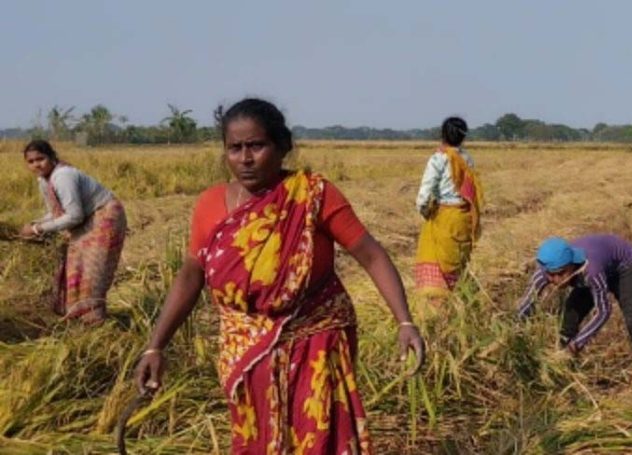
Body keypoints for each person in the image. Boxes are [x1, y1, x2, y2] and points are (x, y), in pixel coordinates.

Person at [134, 98, 425, 453]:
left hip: (315, 337)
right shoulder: (210, 204)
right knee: (256, 438)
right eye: (235, 148)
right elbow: (192, 274)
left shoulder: (313, 195)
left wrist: (405, 322)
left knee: (316, 438)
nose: (245, 158)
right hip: (245, 348)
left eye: (256, 145)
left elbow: (371, 254)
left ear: (282, 146)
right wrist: (156, 345)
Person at [518, 235, 632, 407]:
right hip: (594, 269)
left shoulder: (590, 270)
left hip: (627, 267)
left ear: (572, 265)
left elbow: (604, 311)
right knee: (568, 319)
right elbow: (526, 305)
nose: (556, 280)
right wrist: (514, 332)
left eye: (561, 274)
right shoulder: (545, 271)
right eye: (551, 275)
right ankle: (564, 377)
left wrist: (577, 344)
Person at [20, 139, 127, 325]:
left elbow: (74, 216)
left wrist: (38, 229)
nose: (36, 164)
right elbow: (54, 212)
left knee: (93, 270)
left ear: (52, 157)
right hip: (86, 218)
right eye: (31, 161)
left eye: (41, 158)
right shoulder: (44, 180)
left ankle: (94, 322)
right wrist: (35, 223)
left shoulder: (63, 176)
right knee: (75, 266)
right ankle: (78, 317)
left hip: (104, 216)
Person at [414, 116, 483, 298]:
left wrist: (426, 212)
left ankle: (438, 312)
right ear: (463, 137)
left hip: (443, 218)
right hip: (463, 220)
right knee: (458, 266)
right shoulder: (466, 158)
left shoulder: (439, 159)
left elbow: (423, 197)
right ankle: (457, 304)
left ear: (442, 135)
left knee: (435, 266)